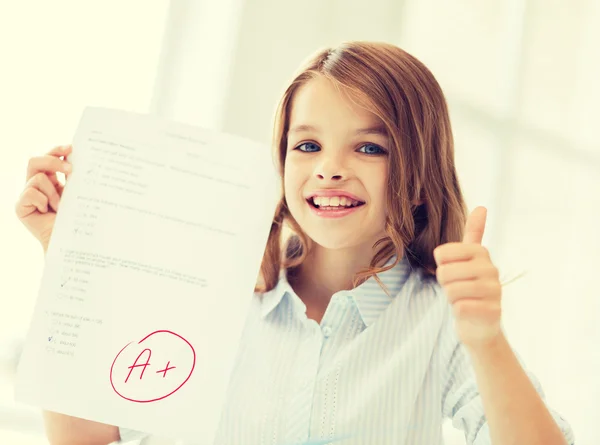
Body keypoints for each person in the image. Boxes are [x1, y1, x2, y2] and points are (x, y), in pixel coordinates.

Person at [15, 41, 574, 445]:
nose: (329, 169)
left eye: (370, 148)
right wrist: (68, 260)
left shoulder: (439, 322)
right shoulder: (220, 291)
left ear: (419, 168)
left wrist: (486, 341)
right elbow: (93, 439)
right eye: (307, 145)